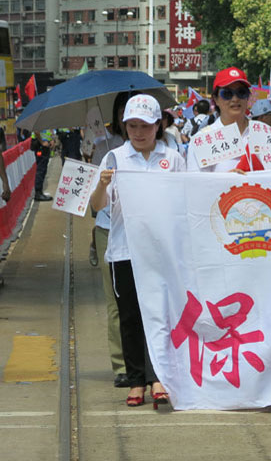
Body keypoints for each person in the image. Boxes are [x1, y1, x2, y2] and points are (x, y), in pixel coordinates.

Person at [89, 94, 186, 409]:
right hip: (124, 251)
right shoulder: (114, 159)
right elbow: (97, 207)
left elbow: (185, 200)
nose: (139, 132)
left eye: (145, 125)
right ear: (124, 125)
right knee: (130, 317)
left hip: (160, 252)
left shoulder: (172, 159)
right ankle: (135, 380)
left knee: (160, 315)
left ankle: (158, 377)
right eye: (132, 125)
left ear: (158, 125)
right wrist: (102, 185)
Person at [91, 91, 130, 387]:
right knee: (116, 302)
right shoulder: (104, 148)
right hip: (108, 229)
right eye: (123, 112)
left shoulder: (163, 147)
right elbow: (95, 202)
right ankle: (121, 366)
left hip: (145, 232)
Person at [187, 68, 265, 173]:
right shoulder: (201, 140)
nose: (235, 99)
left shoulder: (264, 133)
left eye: (241, 92)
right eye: (227, 93)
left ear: (248, 97)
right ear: (216, 99)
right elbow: (196, 185)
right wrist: (225, 182)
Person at [31, 130, 54, 201]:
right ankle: (38, 194)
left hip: (44, 146)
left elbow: (48, 132)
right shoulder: (38, 119)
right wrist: (42, 142)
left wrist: (51, 140)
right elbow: (36, 131)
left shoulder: (44, 120)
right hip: (40, 146)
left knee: (43, 170)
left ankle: (40, 192)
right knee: (41, 170)